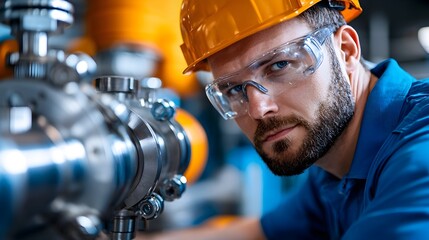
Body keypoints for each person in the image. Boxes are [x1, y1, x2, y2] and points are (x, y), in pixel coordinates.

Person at [138, 0, 429, 239]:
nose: (257, 109)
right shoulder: (332, 167)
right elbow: (259, 233)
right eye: (234, 89)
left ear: (346, 51)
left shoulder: (420, 149)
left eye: (280, 65)